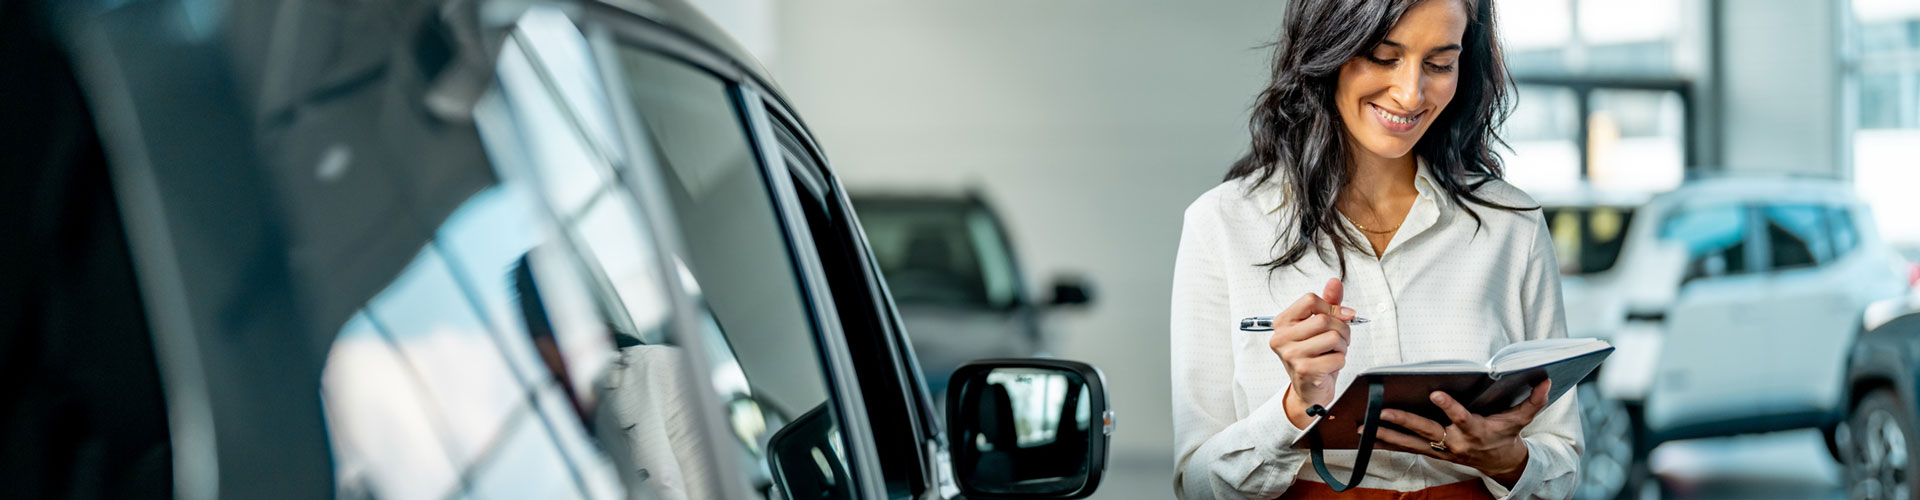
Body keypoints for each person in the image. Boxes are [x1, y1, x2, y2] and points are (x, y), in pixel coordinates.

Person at [1169, 0, 1582, 499]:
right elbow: (1197, 483)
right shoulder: (1224, 223)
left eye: (1439, 64)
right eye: (1384, 57)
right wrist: (1296, 410)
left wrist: (1510, 461)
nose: (1411, 94)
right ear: (1327, 49)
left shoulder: (1510, 223)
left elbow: (1561, 462)